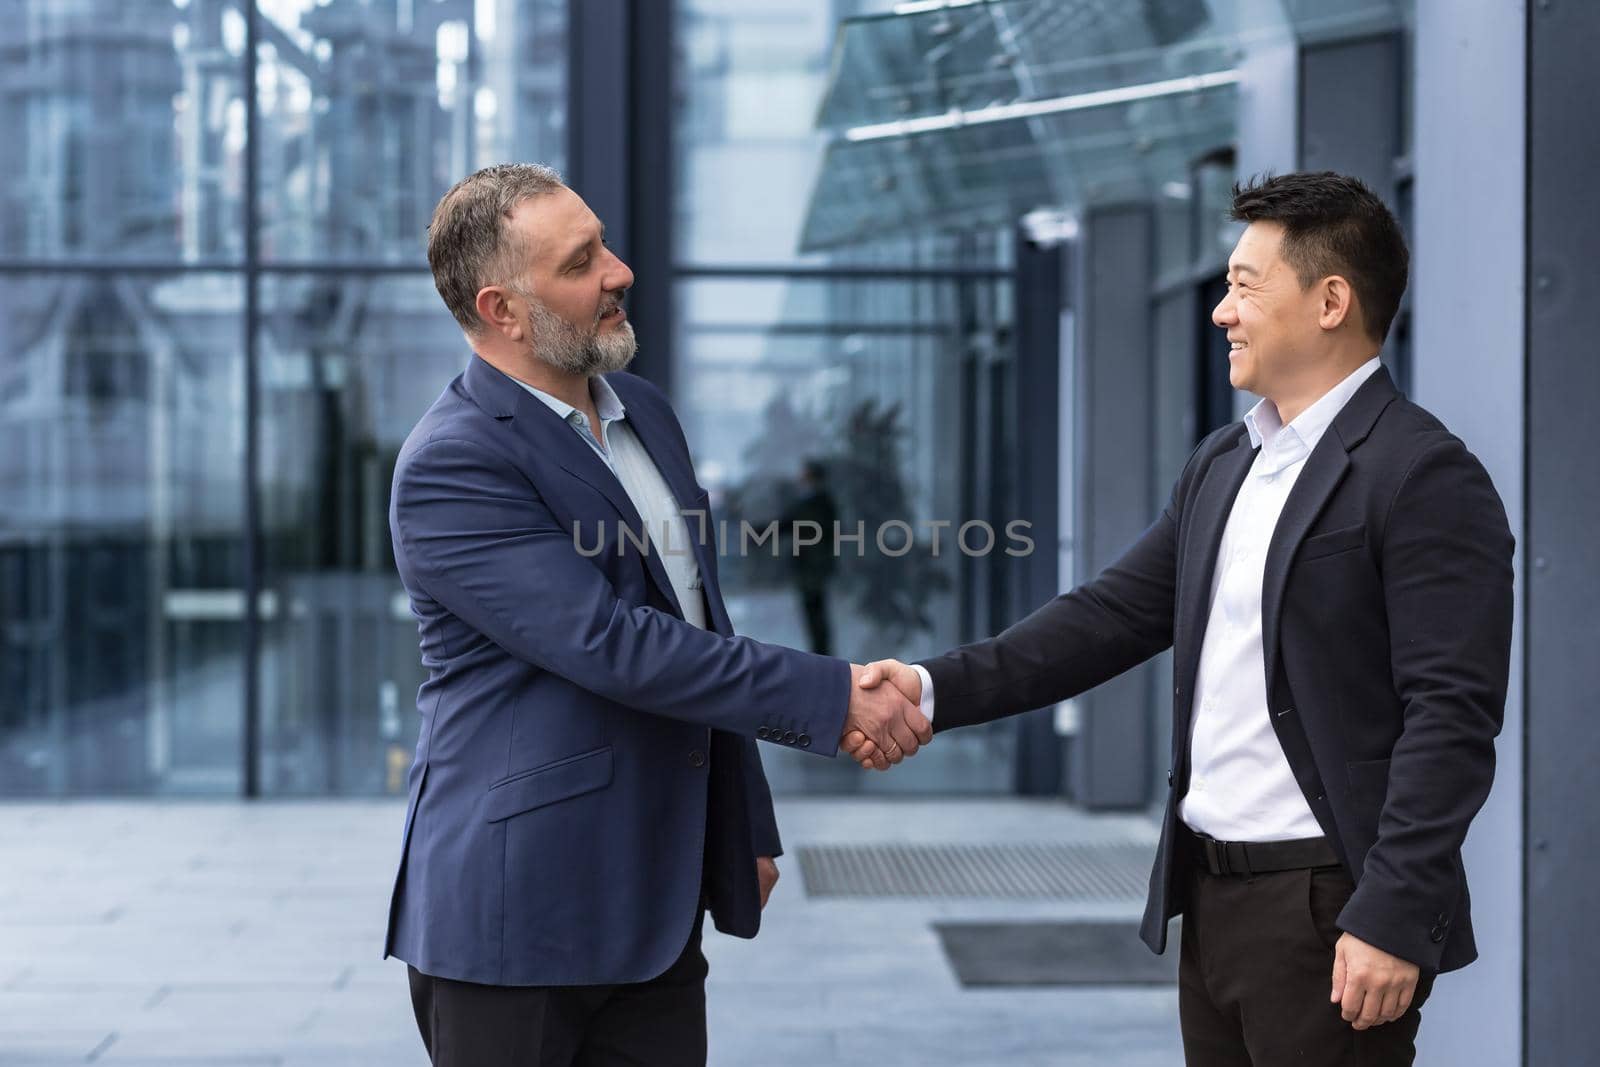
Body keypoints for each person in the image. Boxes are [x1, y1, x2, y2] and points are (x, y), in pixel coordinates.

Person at [850, 172, 1514, 1066]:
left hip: (1328, 909)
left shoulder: (1422, 474)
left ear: (1330, 301)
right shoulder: (1227, 462)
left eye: (1245, 285)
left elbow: (1453, 717)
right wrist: (933, 687)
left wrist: (1392, 914)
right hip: (1211, 895)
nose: (1221, 312)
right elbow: (1109, 615)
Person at [385, 163, 929, 1067]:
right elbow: (612, 643)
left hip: (654, 899)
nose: (619, 270)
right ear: (503, 309)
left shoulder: (645, 414)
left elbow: (697, 620)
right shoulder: (453, 464)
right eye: (582, 260)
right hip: (513, 916)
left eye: (604, 243)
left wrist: (742, 820)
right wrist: (834, 696)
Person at [781, 459, 840, 655]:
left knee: (815, 613)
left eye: (804, 475)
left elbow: (795, 524)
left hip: (814, 567)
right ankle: (821, 654)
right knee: (813, 612)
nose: (800, 478)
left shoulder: (819, 503)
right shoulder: (814, 502)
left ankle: (822, 654)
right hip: (811, 567)